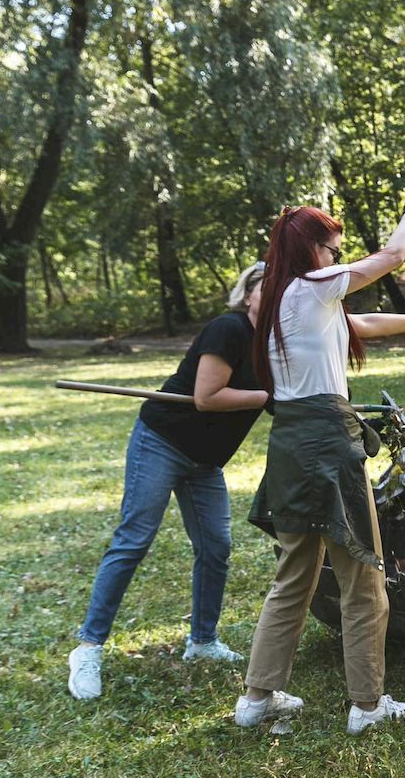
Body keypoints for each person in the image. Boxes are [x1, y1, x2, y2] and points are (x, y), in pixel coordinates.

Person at [234, 199, 405, 732]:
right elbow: (391, 255)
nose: (337, 253)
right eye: (331, 246)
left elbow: (360, 322)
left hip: (290, 443)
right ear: (310, 249)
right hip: (327, 443)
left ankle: (256, 698)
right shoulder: (311, 286)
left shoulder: (280, 302)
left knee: (294, 576)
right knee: (362, 575)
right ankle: (367, 705)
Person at [68, 262, 270, 700]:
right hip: (162, 441)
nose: (271, 295)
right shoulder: (227, 329)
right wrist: (270, 397)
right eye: (263, 286)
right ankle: (88, 648)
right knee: (134, 540)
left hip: (205, 463)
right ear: (248, 293)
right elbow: (207, 397)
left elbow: (356, 324)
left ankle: (202, 642)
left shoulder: (277, 343)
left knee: (216, 547)